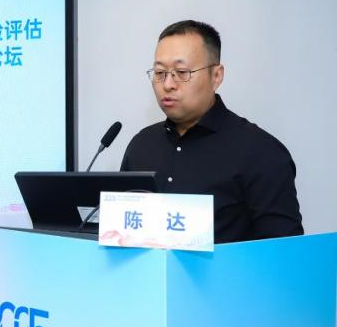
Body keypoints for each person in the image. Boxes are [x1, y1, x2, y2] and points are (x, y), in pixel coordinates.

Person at [120, 20, 303, 243]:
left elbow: (284, 252)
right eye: (160, 73)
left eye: (181, 72)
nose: (167, 84)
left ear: (216, 76)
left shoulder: (261, 152)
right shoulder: (141, 145)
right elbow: (123, 232)